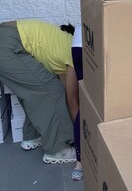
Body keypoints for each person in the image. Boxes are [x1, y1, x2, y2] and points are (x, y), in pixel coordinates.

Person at [67, 0, 132, 181]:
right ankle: (111, 165)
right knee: (109, 109)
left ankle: (80, 163)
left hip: (80, 44)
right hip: (104, 50)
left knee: (86, 104)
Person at [0, 20, 76, 164]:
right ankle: (58, 149)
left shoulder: (64, 38)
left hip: (6, 35)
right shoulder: (75, 54)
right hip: (8, 45)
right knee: (52, 91)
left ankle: (33, 136)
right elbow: (71, 100)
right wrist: (80, 130)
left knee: (35, 91)